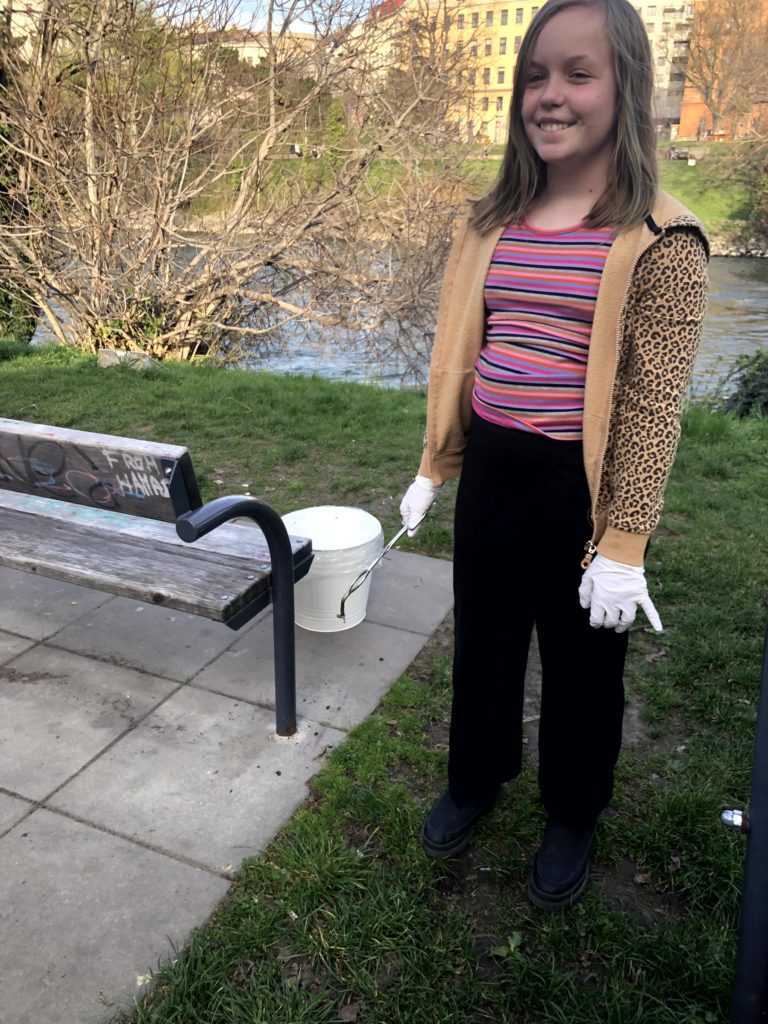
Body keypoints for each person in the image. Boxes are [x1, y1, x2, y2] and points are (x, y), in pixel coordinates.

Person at [399, 0, 708, 912]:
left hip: (581, 485)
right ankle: (476, 775)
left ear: (625, 87)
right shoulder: (490, 221)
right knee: (484, 640)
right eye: (535, 75)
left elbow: (652, 405)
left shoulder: (663, 239)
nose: (550, 94)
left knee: (583, 664)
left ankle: (573, 809)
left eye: (578, 73)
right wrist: (435, 462)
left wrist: (624, 544)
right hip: (495, 468)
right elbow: (458, 350)